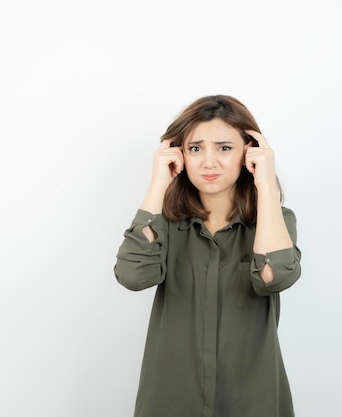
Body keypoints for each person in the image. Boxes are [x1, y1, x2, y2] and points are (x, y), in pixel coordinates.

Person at [114, 95, 302, 417]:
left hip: (250, 401)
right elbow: (133, 276)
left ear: (249, 152)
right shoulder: (165, 226)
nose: (209, 162)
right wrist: (159, 182)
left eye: (224, 148)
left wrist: (265, 185)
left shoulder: (274, 222)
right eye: (196, 149)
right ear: (180, 154)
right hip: (170, 401)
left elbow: (275, 276)